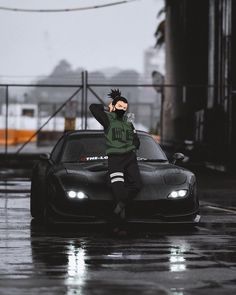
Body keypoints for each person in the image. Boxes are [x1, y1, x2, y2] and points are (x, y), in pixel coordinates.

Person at [89, 89, 142, 234]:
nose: (123, 110)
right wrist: (109, 108)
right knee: (119, 193)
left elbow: (135, 137)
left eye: (125, 108)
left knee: (137, 185)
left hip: (130, 158)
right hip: (116, 159)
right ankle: (119, 226)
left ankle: (113, 216)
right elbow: (93, 107)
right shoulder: (107, 119)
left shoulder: (129, 119)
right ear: (114, 106)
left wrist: (135, 144)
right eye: (120, 107)